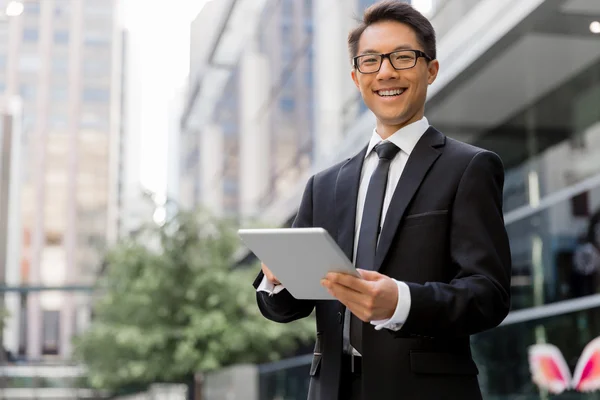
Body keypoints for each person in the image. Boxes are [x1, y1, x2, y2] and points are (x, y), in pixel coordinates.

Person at [252, 1, 512, 399]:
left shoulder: (469, 167)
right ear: (357, 78)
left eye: (403, 57)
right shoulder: (323, 185)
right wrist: (274, 280)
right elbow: (288, 308)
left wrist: (401, 302)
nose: (386, 72)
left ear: (431, 69)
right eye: (370, 61)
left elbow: (488, 295)